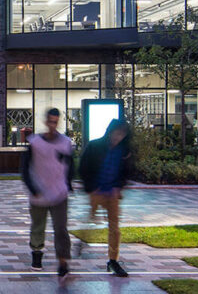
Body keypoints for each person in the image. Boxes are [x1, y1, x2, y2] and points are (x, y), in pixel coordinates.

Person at [21, 107, 74, 282]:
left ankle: (63, 262)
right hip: (39, 193)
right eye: (50, 121)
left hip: (59, 193)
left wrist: (68, 184)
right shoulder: (35, 143)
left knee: (61, 229)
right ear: (45, 122)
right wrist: (33, 188)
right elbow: (24, 169)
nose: (53, 125)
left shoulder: (65, 143)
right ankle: (37, 255)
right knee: (38, 226)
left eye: (56, 122)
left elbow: (70, 165)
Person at [78, 119, 133, 278]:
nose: (118, 137)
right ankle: (82, 241)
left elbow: (127, 171)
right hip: (97, 190)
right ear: (110, 131)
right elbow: (83, 167)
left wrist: (119, 187)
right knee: (91, 219)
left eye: (122, 134)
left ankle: (113, 260)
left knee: (114, 228)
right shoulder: (95, 146)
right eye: (117, 133)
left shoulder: (124, 151)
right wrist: (91, 187)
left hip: (112, 193)